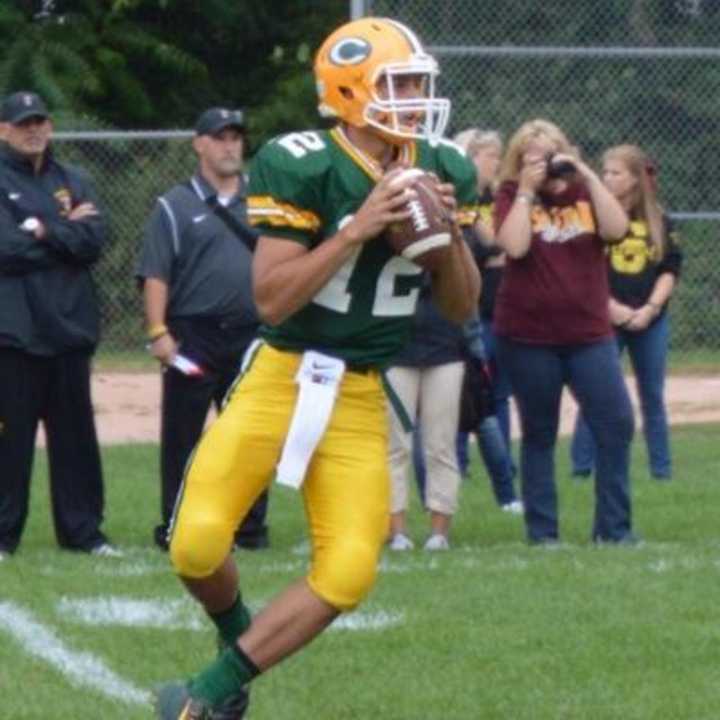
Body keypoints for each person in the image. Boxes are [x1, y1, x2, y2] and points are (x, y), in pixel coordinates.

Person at [154, 17, 480, 719]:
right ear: (350, 88)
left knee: (349, 571)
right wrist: (357, 228)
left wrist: (448, 237)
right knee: (196, 545)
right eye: (401, 84)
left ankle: (207, 697)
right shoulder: (300, 161)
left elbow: (459, 307)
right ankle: (238, 641)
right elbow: (271, 299)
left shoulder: (446, 165)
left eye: (421, 82)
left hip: (363, 391)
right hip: (283, 371)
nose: (417, 98)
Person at [493, 119, 635, 545]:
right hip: (527, 335)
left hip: (589, 334)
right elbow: (514, 247)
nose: (544, 164)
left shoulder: (586, 192)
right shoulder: (509, 196)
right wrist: (525, 190)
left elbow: (616, 230)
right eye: (531, 157)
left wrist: (587, 174)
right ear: (517, 163)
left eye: (550, 153)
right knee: (539, 432)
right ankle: (543, 534)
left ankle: (613, 530)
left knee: (616, 424)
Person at [136, 107, 269, 553]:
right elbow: (156, 272)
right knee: (183, 436)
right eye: (220, 137)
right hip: (193, 335)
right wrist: (158, 332)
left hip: (252, 334)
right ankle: (177, 522)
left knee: (249, 436)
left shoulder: (263, 201)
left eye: (236, 137)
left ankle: (249, 528)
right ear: (199, 144)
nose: (230, 145)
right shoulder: (173, 205)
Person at [0, 91, 118, 560]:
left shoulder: (74, 179)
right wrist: (62, 230)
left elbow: (93, 240)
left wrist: (42, 229)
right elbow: (4, 249)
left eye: (40, 122)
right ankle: (4, 535)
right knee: (11, 440)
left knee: (76, 442)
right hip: (15, 333)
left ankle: (84, 533)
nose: (34, 130)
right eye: (23, 123)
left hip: (70, 330)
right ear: (3, 130)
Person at [571, 145, 683, 481]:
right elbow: (582, 269)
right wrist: (611, 309)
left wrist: (650, 309)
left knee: (652, 396)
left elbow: (670, 268)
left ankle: (661, 472)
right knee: (596, 393)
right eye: (604, 172)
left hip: (650, 321)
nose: (607, 178)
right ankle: (581, 469)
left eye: (615, 173)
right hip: (606, 318)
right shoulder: (593, 215)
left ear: (634, 179)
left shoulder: (659, 218)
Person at [453, 127, 522, 513]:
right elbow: (483, 249)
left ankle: (506, 480)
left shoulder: (498, 197)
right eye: (488, 156)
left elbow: (500, 247)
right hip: (464, 306)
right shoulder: (460, 196)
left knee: (492, 395)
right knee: (462, 398)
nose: (495, 164)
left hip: (495, 307)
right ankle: (462, 468)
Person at [386, 279, 466, 552]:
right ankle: (397, 532)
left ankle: (439, 533)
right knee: (394, 446)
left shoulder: (452, 237)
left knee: (440, 444)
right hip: (393, 346)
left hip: (445, 345)